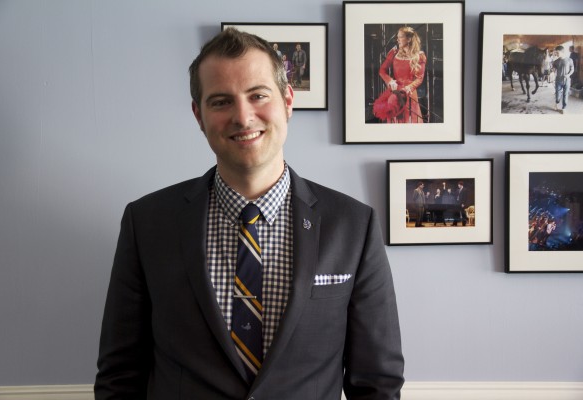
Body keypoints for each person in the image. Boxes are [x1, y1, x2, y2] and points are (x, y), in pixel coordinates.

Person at [94, 27, 404, 400]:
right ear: (198, 115)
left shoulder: (354, 226)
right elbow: (119, 376)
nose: (243, 117)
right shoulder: (146, 223)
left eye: (258, 95)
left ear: (288, 101)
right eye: (221, 101)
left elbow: (377, 382)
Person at [373, 26, 427, 123]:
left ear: (409, 39)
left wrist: (409, 87)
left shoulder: (420, 56)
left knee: (410, 123)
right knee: (395, 122)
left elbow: (420, 78)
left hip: (409, 93)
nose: (397, 39)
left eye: (400, 37)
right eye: (397, 37)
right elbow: (382, 70)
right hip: (394, 92)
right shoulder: (394, 53)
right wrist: (389, 80)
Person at [552, 45, 574, 114]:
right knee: (558, 94)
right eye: (556, 53)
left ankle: (564, 108)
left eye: (557, 52)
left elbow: (572, 69)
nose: (556, 54)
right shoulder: (556, 61)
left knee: (565, 94)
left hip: (567, 81)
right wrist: (553, 69)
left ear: (562, 52)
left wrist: (568, 75)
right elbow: (553, 68)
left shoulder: (569, 60)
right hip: (558, 80)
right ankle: (556, 103)